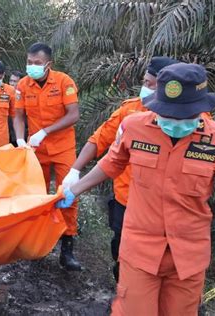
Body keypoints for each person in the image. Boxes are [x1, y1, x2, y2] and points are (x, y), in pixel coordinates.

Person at [56, 63, 215, 315]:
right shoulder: (134, 126)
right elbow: (111, 163)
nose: (175, 121)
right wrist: (74, 189)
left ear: (201, 109)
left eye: (183, 116)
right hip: (140, 249)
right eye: (169, 114)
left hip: (189, 255)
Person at [62, 56, 178, 282]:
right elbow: (100, 142)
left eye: (153, 84)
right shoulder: (129, 112)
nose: (147, 88)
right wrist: (75, 172)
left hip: (167, 207)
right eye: (146, 82)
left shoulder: (194, 121)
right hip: (126, 199)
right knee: (121, 251)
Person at [13, 42, 81, 271]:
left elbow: (73, 115)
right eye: (29, 63)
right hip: (36, 150)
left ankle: (67, 248)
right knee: (36, 196)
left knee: (68, 193)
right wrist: (21, 140)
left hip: (62, 148)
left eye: (37, 63)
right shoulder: (22, 85)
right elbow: (19, 116)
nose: (32, 66)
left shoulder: (64, 82)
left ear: (48, 64)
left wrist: (45, 131)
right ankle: (38, 245)